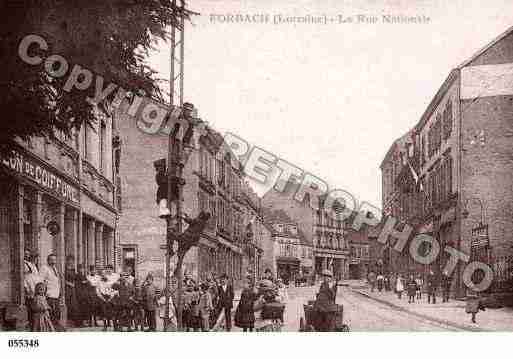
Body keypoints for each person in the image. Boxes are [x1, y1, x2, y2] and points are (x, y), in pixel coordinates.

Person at [39, 253, 63, 330]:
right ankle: (52, 328)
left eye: (54, 260)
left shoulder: (55, 269)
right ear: (48, 260)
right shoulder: (44, 268)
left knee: (57, 312)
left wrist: (60, 292)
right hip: (49, 294)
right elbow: (41, 280)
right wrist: (43, 292)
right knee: (51, 312)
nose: (53, 261)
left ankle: (56, 327)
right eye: (51, 260)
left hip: (56, 294)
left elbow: (57, 281)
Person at [23, 249, 40, 331]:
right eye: (25, 254)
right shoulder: (23, 264)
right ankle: (30, 325)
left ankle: (34, 326)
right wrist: (27, 288)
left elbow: (36, 277)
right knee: (30, 307)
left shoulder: (32, 265)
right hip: (28, 288)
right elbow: (24, 278)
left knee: (35, 308)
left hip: (34, 288)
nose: (27, 255)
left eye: (28, 254)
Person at [64, 255, 79, 328]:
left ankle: (74, 322)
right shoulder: (65, 269)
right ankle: (68, 321)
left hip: (73, 289)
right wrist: (69, 283)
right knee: (68, 303)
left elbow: (76, 278)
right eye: (69, 260)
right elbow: (63, 279)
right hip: (67, 288)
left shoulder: (73, 270)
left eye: (72, 260)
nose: (71, 262)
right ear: (67, 261)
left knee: (74, 304)